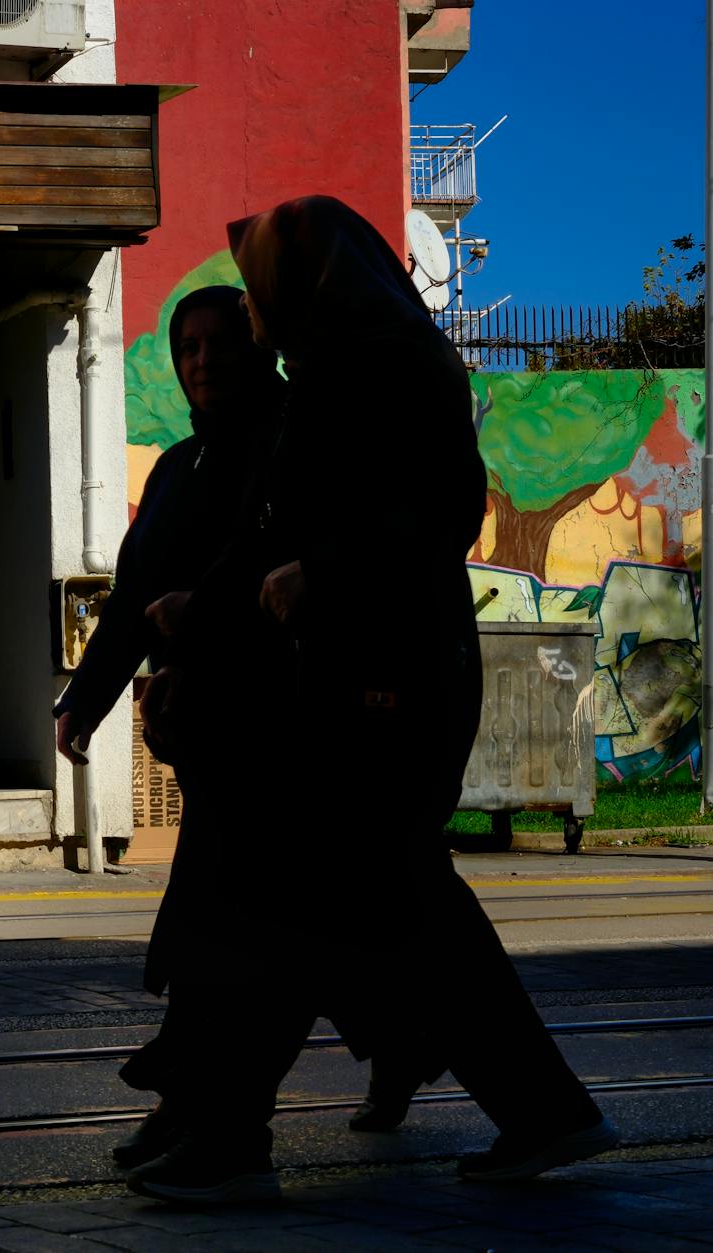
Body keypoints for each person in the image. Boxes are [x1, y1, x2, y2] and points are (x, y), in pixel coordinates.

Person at [126, 195, 615, 1203]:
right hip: (340, 688)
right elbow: (270, 533)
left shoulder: (391, 369)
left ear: (309, 287)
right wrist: (198, 611)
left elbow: (439, 509)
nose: (252, 319)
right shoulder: (324, 377)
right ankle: (537, 1108)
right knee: (363, 908)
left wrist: (325, 574)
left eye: (262, 294)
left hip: (387, 686)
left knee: (295, 901)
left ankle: (227, 1133)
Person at [53, 285, 288, 1168]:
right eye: (186, 346)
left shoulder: (280, 445)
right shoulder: (179, 465)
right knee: (234, 920)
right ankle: (196, 1102)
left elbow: (257, 573)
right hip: (205, 738)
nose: (201, 360)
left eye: (217, 342)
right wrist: (86, 697)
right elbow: (133, 597)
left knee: (235, 928)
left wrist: (204, 632)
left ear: (255, 346)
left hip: (272, 735)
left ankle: (209, 1112)